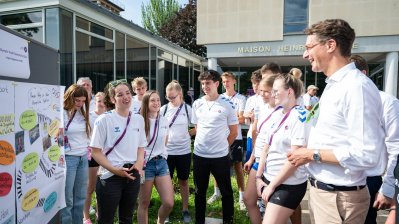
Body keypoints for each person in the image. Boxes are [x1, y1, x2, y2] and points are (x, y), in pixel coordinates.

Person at [287, 19, 385, 223]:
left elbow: (366, 155)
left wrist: (311, 154)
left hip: (339, 199)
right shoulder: (334, 85)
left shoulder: (356, 87)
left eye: (309, 47)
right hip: (325, 195)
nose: (305, 54)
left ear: (331, 45)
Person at [350, 54, 399, 224]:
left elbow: (395, 146)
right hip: (338, 181)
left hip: (368, 181)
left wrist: (388, 187)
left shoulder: (387, 102)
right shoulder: (340, 101)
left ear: (362, 74)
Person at [256, 74, 310, 224]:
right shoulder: (277, 113)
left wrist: (272, 186)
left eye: (275, 90)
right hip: (268, 179)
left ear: (290, 92)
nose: (272, 94)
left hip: (288, 185)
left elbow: (295, 159)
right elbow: (266, 147)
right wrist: (258, 177)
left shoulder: (301, 116)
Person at [90, 80, 146, 224]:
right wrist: (115, 170)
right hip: (110, 176)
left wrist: (139, 164)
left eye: (128, 93)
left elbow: (141, 146)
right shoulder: (103, 120)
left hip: (132, 174)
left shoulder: (138, 119)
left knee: (126, 218)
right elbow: (95, 151)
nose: (126, 97)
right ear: (112, 99)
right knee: (105, 220)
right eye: (120, 94)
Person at [191, 70, 238, 224]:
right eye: (203, 83)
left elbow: (233, 132)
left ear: (217, 84)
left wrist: (222, 147)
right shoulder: (197, 103)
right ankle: (199, 221)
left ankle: (228, 220)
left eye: (208, 83)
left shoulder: (228, 104)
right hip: (200, 155)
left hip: (220, 157)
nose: (205, 86)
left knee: (226, 192)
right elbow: (198, 128)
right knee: (199, 193)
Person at [243, 75, 280, 223]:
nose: (261, 94)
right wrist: (252, 158)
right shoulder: (263, 109)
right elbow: (258, 137)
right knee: (248, 199)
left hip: (272, 163)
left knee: (271, 206)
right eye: (260, 90)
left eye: (266, 91)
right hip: (258, 160)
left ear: (275, 91)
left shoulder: (282, 111)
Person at [208, 72, 246, 211]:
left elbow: (242, 119)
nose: (226, 84)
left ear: (234, 81)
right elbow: (237, 118)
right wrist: (233, 117)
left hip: (236, 138)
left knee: (238, 168)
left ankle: (242, 197)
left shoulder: (241, 98)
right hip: (220, 138)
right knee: (218, 167)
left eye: (228, 81)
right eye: (223, 82)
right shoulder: (219, 98)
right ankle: (217, 193)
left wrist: (230, 118)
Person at [160, 81, 195, 223]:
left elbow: (198, 127)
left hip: (184, 152)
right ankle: (167, 209)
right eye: (168, 97)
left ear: (180, 94)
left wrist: (187, 134)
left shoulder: (188, 109)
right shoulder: (163, 110)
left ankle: (185, 209)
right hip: (167, 152)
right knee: (166, 183)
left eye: (172, 97)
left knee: (184, 181)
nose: (170, 100)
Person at [138, 90, 174, 224]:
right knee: (144, 203)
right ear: (146, 102)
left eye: (158, 100)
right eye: (152, 100)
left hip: (161, 163)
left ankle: (160, 222)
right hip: (145, 165)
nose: (156, 103)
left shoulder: (164, 120)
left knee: (169, 203)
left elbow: (165, 142)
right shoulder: (139, 121)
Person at [60, 84, 91, 223]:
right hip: (68, 158)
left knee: (80, 197)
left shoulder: (82, 112)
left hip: (83, 157)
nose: (80, 104)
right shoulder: (61, 113)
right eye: (77, 100)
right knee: (68, 198)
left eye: (83, 101)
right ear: (70, 97)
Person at [83, 92, 107, 224]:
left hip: (106, 156)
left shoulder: (109, 116)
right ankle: (85, 217)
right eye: (99, 101)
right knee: (90, 187)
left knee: (101, 188)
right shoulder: (89, 116)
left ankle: (99, 213)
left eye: (104, 101)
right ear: (95, 102)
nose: (102, 104)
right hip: (92, 156)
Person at [243, 69, 262, 163]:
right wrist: (248, 115)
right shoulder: (250, 99)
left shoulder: (269, 99)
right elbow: (246, 121)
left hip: (263, 137)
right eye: (253, 83)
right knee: (249, 162)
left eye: (257, 83)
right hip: (251, 134)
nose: (255, 86)